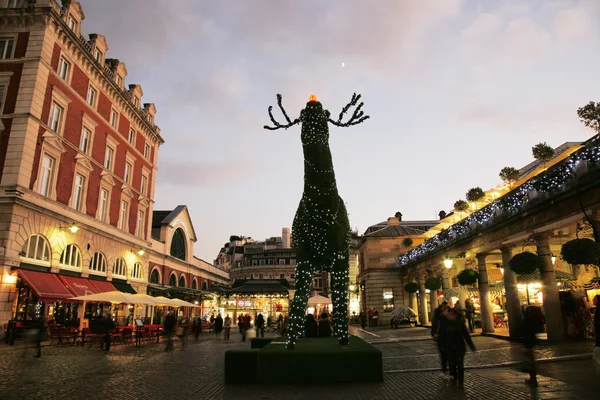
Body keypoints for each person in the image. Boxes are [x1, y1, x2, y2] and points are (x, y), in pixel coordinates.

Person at [440, 307, 476, 388]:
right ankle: (453, 379)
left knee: (460, 364)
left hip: (459, 347)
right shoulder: (445, 323)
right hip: (449, 347)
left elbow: (466, 335)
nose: (451, 316)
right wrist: (442, 346)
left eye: (453, 314)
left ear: (456, 315)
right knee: (452, 365)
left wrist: (471, 345)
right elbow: (442, 336)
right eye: (450, 314)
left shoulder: (460, 323)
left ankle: (460, 382)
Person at [522, 306, 542, 386]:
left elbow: (525, 330)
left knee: (530, 360)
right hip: (530, 341)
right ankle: (533, 378)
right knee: (530, 360)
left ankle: (533, 379)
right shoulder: (535, 319)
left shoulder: (528, 320)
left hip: (528, 342)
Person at [432, 301, 448, 374]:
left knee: (445, 356)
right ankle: (445, 369)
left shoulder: (447, 317)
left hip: (444, 339)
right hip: (442, 339)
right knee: (444, 355)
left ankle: (446, 369)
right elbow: (434, 328)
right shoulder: (440, 319)